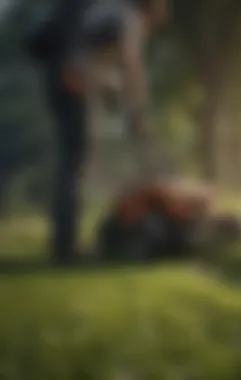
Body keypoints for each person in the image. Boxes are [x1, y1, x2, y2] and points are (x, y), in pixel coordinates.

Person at [24, 0, 168, 264]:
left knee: (73, 159)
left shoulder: (109, 12)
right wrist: (139, 113)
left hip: (59, 76)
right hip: (71, 76)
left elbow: (105, 70)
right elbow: (130, 65)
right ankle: (65, 247)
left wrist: (116, 95)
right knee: (74, 162)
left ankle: (64, 241)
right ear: (151, 12)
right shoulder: (128, 19)